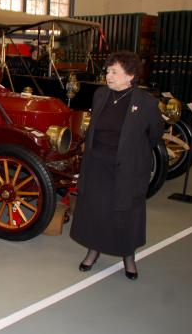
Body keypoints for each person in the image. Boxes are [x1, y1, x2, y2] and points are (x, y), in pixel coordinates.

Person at [70, 50, 164, 280]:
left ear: (130, 76)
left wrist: (133, 153)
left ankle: (128, 257)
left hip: (127, 168)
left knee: (126, 213)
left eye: (114, 72)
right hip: (97, 166)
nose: (108, 75)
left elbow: (155, 134)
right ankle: (93, 250)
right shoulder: (101, 95)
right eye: (108, 71)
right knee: (97, 210)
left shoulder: (146, 103)